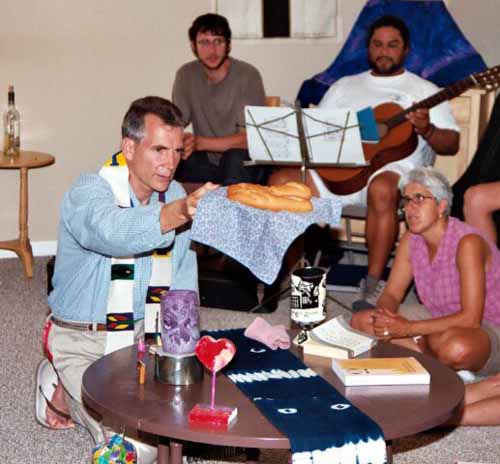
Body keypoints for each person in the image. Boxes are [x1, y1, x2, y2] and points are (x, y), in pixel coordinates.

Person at [43, 96, 217, 462]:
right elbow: (112, 232)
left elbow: (182, 277)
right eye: (158, 150)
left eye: (175, 150)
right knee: (135, 450)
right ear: (129, 147)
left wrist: (185, 346)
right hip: (82, 340)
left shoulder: (174, 196)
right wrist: (175, 214)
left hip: (142, 340)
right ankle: (59, 385)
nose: (169, 163)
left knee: (183, 426)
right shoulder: (88, 192)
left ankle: (72, 393)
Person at [268, 15, 459, 311]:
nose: (384, 51)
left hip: (391, 171)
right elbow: (321, 131)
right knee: (281, 182)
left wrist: (428, 129)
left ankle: (372, 281)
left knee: (382, 188)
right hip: (337, 172)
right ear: (368, 48)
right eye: (377, 44)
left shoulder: (425, 90)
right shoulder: (344, 86)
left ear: (406, 49)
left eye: (392, 45)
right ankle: (291, 272)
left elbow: (452, 143)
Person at [350, 167, 500, 379]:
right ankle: (434, 362)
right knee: (361, 321)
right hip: (438, 316)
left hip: (488, 326)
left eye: (419, 199)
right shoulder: (411, 240)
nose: (410, 208)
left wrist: (408, 329)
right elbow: (392, 293)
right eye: (406, 200)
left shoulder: (468, 242)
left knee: (455, 348)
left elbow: (471, 318)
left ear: (441, 206)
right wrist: (385, 320)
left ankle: (424, 354)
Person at [172, 13, 267, 186]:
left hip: (243, 161)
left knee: (234, 157)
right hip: (207, 162)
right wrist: (183, 142)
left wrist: (200, 142)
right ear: (194, 46)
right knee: (173, 157)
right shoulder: (185, 75)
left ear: (228, 45)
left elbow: (251, 139)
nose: (212, 50)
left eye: (218, 41)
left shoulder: (247, 75)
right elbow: (175, 123)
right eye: (204, 42)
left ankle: (233, 212)